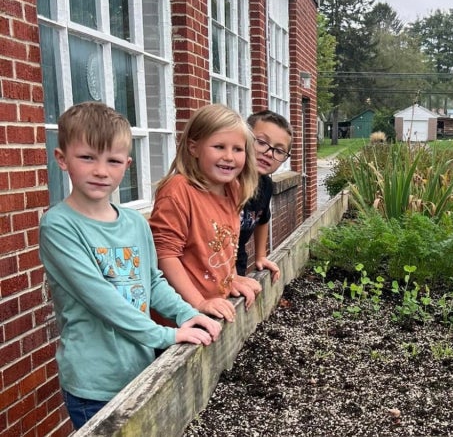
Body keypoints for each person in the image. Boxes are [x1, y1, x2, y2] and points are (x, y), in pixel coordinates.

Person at [39, 102, 221, 429]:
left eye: (113, 160)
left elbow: (153, 283)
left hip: (141, 368)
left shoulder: (135, 222)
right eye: (87, 158)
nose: (100, 170)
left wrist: (187, 313)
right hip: (94, 381)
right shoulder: (59, 226)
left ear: (127, 164)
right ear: (62, 159)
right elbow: (103, 301)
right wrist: (167, 335)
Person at [150, 104, 261, 323]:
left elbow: (219, 250)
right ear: (194, 148)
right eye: (219, 147)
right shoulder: (178, 191)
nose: (229, 156)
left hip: (216, 310)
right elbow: (165, 256)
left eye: (238, 149)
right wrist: (199, 302)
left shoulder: (232, 189)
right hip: (181, 318)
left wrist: (231, 279)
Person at [236, 110, 293, 280]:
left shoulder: (266, 185)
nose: (269, 153)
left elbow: (262, 219)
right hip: (206, 269)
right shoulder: (225, 181)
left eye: (279, 151)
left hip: (237, 262)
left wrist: (261, 255)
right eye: (261, 142)